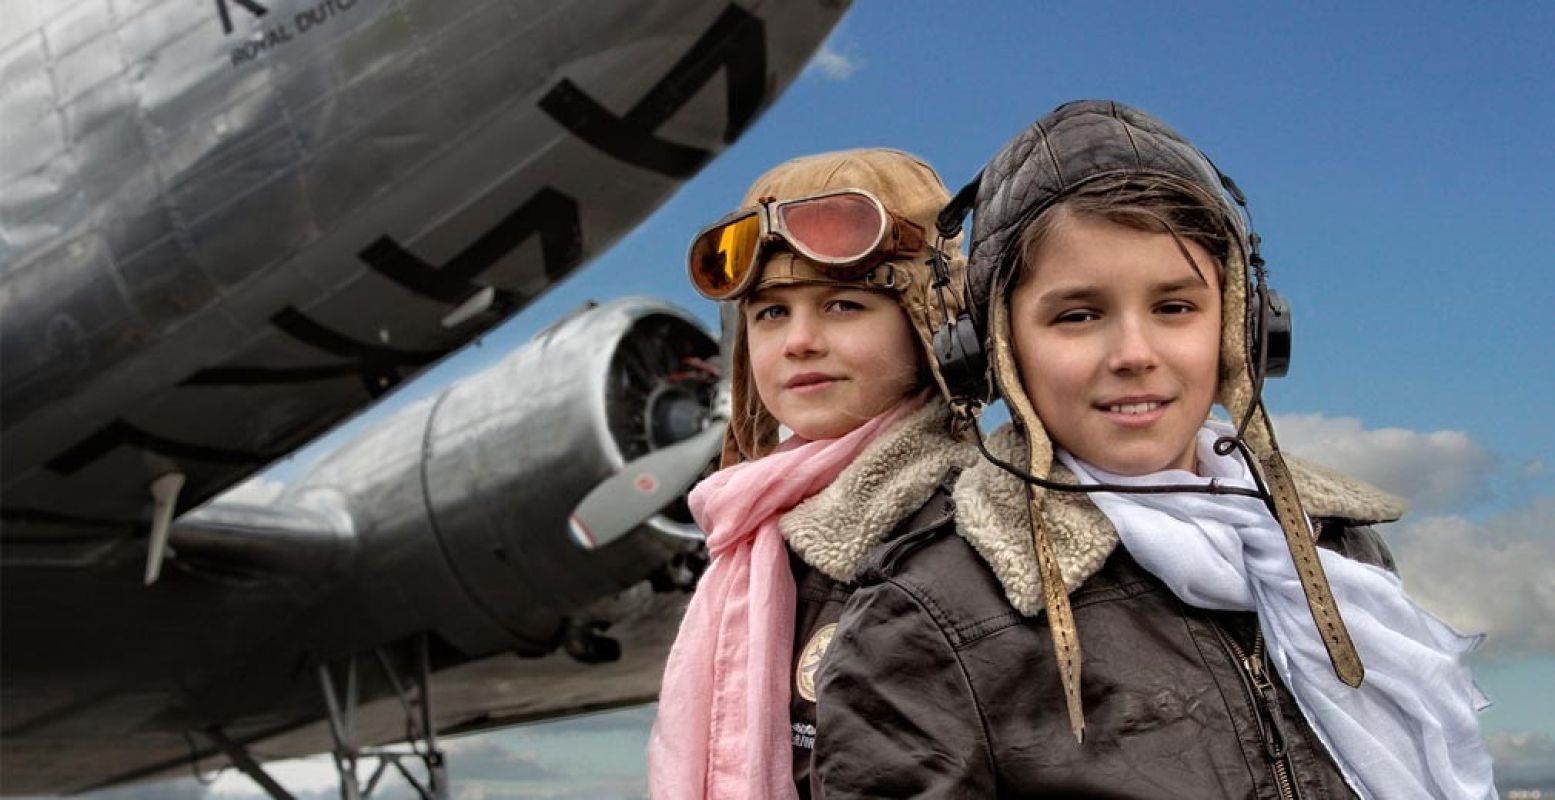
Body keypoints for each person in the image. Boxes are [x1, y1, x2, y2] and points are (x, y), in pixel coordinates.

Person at [811, 101, 1497, 798]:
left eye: (1174, 308)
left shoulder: (1337, 549)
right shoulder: (925, 614)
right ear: (994, 352)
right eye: (1077, 316)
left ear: (1240, 329)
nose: (1134, 354)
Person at [647, 148, 979, 799]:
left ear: (931, 325)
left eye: (842, 306)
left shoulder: (965, 543)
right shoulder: (755, 534)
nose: (798, 340)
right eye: (771, 313)